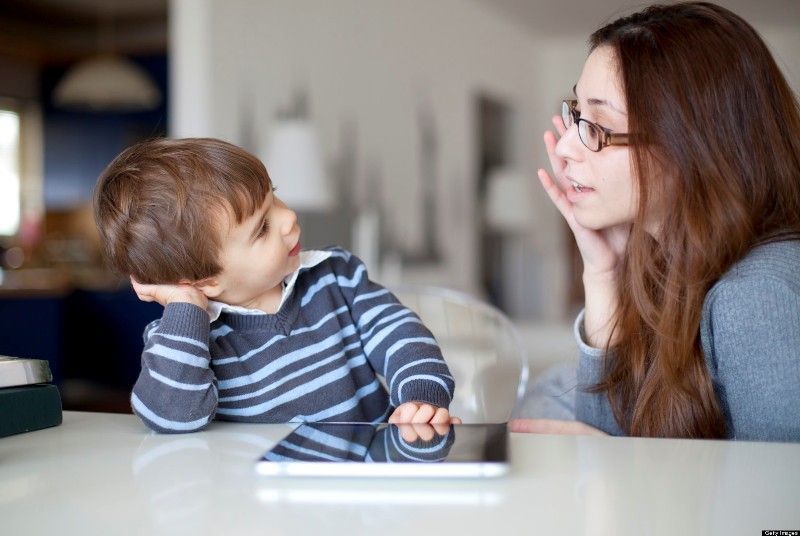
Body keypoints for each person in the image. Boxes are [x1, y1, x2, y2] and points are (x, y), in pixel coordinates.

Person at [512, 2, 800, 441]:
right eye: (576, 114)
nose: (566, 147)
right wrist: (603, 271)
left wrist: (617, 459)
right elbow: (608, 433)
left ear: (690, 146)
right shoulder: (674, 265)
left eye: (598, 126)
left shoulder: (756, 297)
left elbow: (774, 501)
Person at [94, 138, 459, 433]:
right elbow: (171, 416)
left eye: (274, 196)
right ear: (207, 281)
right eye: (262, 228)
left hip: (362, 488)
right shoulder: (185, 341)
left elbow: (400, 333)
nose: (288, 217)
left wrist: (420, 396)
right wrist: (187, 307)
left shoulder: (336, 277)